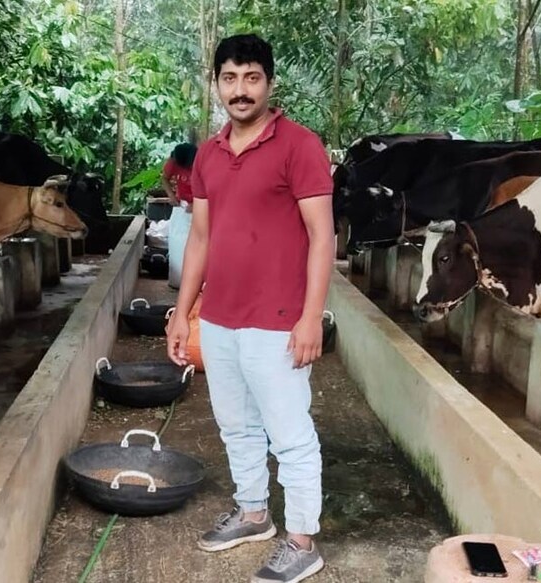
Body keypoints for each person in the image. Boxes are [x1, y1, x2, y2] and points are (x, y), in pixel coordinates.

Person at [166, 33, 334, 583]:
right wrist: (181, 310)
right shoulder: (209, 154)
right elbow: (200, 240)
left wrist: (311, 317)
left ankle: (303, 541)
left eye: (252, 78)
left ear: (269, 83)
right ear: (216, 84)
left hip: (279, 321)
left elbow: (323, 236)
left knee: (289, 434)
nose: (241, 90)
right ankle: (254, 512)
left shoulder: (300, 146)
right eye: (230, 78)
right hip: (219, 319)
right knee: (235, 425)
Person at [162, 142, 197, 289]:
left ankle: (195, 283)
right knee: (178, 242)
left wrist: (197, 203)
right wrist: (171, 196)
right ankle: (178, 280)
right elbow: (165, 178)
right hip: (182, 206)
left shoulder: (203, 163)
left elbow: (214, 187)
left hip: (201, 206)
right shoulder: (174, 161)